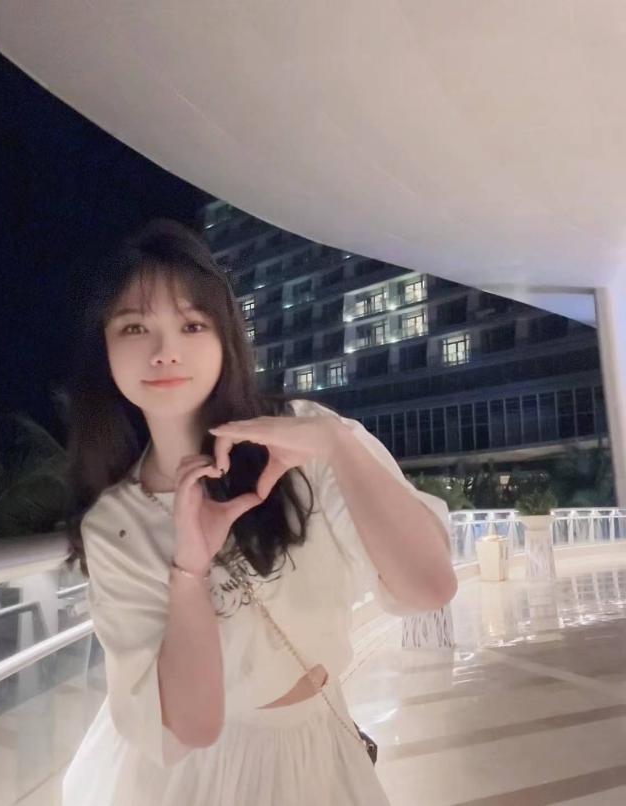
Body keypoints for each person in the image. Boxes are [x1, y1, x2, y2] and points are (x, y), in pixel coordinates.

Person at [61, 218, 456, 806]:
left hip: (320, 745)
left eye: (192, 324)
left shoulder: (304, 438)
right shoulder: (118, 525)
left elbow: (429, 587)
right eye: (135, 327)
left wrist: (338, 445)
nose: (165, 352)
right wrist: (189, 570)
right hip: (198, 780)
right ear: (107, 350)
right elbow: (193, 727)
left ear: (226, 338)